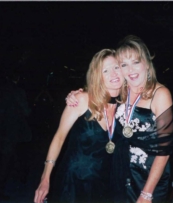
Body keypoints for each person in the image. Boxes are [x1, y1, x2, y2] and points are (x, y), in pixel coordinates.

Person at [67, 35, 173, 203]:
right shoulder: (121, 92)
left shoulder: (160, 94)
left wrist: (147, 193)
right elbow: (97, 89)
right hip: (120, 174)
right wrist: (77, 94)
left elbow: (165, 150)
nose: (130, 70)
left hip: (148, 178)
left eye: (136, 62)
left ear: (147, 62)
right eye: (124, 64)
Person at [34, 49, 124, 203]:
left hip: (105, 183)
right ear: (98, 76)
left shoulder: (125, 107)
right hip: (74, 182)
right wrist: (45, 178)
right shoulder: (82, 99)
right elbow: (59, 137)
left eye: (116, 67)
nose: (113, 74)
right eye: (106, 70)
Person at [0, 70, 31, 200]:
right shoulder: (18, 91)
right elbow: (26, 111)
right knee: (7, 160)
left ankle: (13, 180)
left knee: (4, 158)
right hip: (12, 130)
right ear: (18, 77)